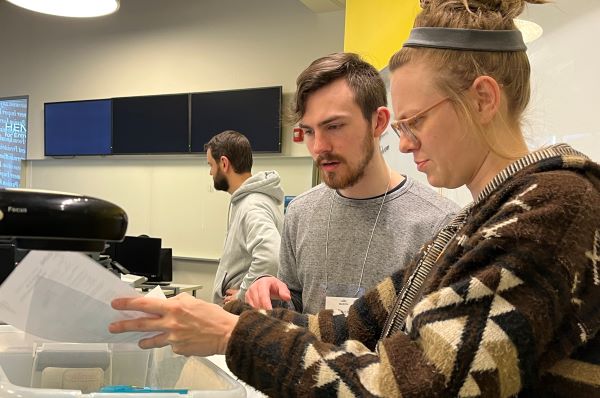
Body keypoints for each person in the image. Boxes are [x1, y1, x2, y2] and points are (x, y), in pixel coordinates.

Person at [109, 0, 600, 395]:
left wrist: (232, 335)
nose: (405, 144)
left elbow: (411, 385)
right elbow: (353, 324)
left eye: (416, 122)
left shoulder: (553, 208)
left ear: (483, 99)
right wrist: (231, 315)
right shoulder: (474, 222)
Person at [245, 52, 459, 314]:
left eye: (334, 126)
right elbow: (295, 303)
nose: (319, 147)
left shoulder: (438, 224)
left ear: (378, 122)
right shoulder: (300, 212)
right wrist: (272, 292)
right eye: (310, 131)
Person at [204, 130, 284, 305]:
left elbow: (271, 257)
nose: (210, 173)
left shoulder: (252, 205)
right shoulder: (248, 201)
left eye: (211, 165)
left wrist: (243, 294)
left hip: (244, 315)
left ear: (224, 163)